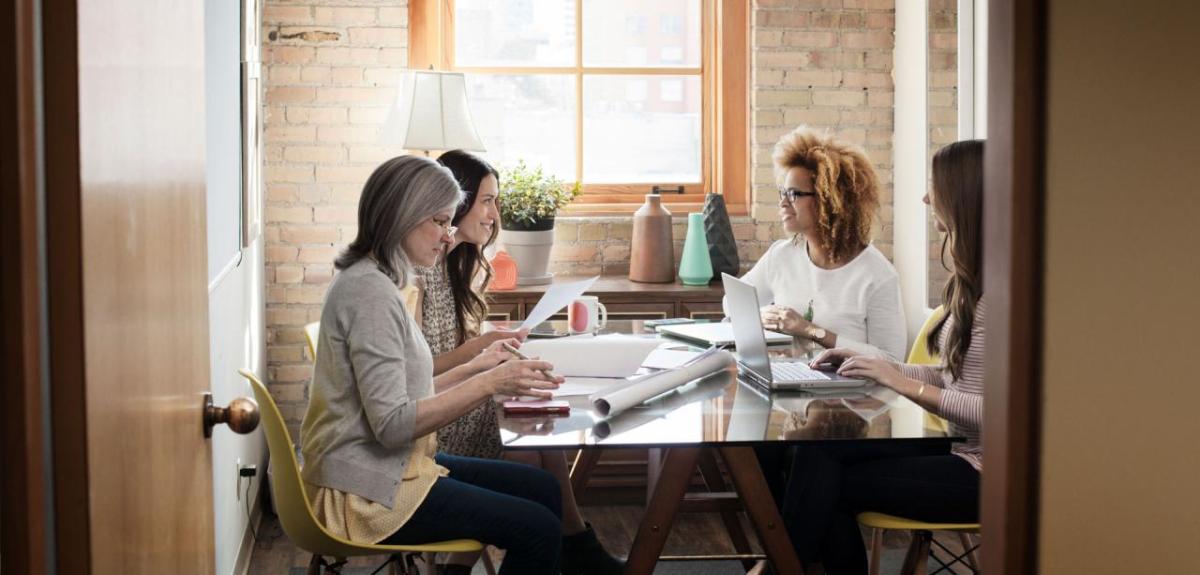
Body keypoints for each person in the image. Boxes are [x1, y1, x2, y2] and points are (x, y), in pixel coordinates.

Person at [301, 155, 566, 575]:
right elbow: (393, 425)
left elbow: (409, 389)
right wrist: (489, 382)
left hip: (390, 467)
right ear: (402, 217)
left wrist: (481, 366)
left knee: (543, 489)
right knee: (538, 529)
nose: (447, 236)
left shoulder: (382, 279)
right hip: (363, 492)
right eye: (440, 222)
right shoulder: (371, 295)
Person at [780, 139, 986, 574]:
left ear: (965, 195)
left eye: (936, 187)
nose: (927, 198)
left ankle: (781, 565)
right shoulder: (974, 285)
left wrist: (901, 382)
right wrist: (887, 369)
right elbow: (954, 377)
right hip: (960, 450)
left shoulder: (1001, 296)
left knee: (827, 482)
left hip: (987, 473)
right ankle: (785, 565)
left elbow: (1004, 416)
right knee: (816, 454)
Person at [413, 149, 624, 575]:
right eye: (487, 200)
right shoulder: (423, 271)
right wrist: (482, 350)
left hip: (447, 397)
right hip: (434, 416)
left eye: (495, 201)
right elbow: (424, 371)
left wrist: (488, 345)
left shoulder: (456, 262)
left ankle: (574, 547)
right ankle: (573, 548)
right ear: (458, 200)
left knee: (542, 437)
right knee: (534, 446)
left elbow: (447, 351)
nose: (494, 214)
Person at [730, 125, 906, 361]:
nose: (783, 203)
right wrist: (763, 315)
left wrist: (809, 330)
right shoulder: (781, 255)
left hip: (852, 393)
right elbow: (730, 303)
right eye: (782, 192)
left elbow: (892, 360)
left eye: (794, 194)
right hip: (789, 380)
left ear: (829, 200)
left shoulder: (877, 275)